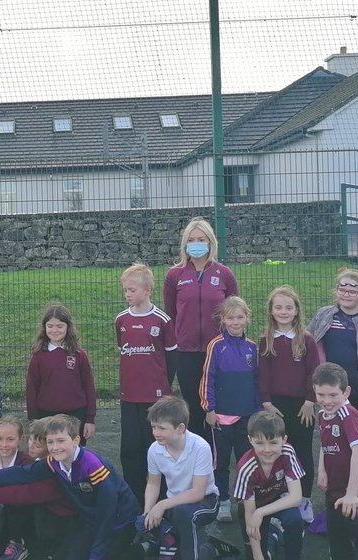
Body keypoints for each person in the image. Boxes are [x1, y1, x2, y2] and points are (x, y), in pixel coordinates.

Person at [0, 414, 142, 560]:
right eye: (50, 442)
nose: (55, 447)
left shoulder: (93, 466)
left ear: (76, 440)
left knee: (105, 554)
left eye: (60, 441)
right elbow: (23, 473)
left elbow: (108, 511)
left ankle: (141, 549)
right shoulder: (53, 462)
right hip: (89, 520)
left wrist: (97, 553)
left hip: (119, 522)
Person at [163, 217, 239, 439]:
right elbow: (171, 314)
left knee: (215, 407)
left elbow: (234, 312)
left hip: (217, 351)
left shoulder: (224, 274)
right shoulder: (174, 275)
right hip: (186, 352)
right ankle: (195, 458)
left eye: (201, 239)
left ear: (211, 242)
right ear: (185, 243)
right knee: (193, 407)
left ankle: (217, 460)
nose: (197, 243)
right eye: (192, 239)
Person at [307, 269, 358, 479]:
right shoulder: (323, 315)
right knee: (332, 439)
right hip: (330, 392)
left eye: (353, 289)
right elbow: (307, 344)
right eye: (342, 288)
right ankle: (337, 482)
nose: (346, 294)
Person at [0, 416, 79, 560]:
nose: (31, 445)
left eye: (38, 444)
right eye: (31, 440)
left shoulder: (45, 466)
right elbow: (15, 474)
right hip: (46, 522)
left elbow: (27, 493)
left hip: (61, 524)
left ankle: (18, 544)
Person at [256, 285, 321, 522]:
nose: (283, 312)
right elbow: (262, 374)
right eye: (278, 307)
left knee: (301, 451)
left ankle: (304, 499)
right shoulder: (265, 341)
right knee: (276, 452)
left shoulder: (307, 340)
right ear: (271, 311)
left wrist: (310, 401)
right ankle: (277, 498)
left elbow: (313, 373)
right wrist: (266, 402)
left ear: (296, 311)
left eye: (288, 307)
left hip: (302, 406)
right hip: (275, 407)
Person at [115, 262, 178, 505]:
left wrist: (162, 385)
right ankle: (133, 498)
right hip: (129, 396)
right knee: (130, 448)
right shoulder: (121, 320)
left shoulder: (162, 320)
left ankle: (161, 498)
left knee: (156, 447)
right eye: (125, 290)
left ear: (148, 289)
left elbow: (171, 358)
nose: (128, 294)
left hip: (156, 398)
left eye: (132, 289)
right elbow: (124, 350)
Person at [199, 296, 258, 523]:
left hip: (246, 416)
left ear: (247, 319)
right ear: (223, 320)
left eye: (240, 317)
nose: (235, 322)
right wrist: (209, 409)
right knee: (220, 462)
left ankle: (245, 499)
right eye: (230, 317)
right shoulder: (216, 346)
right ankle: (222, 500)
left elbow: (256, 381)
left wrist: (258, 410)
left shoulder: (252, 348)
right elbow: (208, 378)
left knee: (246, 460)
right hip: (221, 417)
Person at [139, 396, 220, 560]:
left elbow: (198, 492)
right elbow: (153, 484)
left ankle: (205, 550)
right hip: (175, 503)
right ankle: (209, 549)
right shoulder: (154, 450)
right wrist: (148, 511)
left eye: (162, 428)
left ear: (180, 428)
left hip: (207, 500)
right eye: (153, 427)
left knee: (184, 515)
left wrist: (161, 505)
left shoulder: (200, 447)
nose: (156, 433)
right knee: (147, 524)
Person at [314, 362, 358, 560]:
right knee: (337, 541)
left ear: (346, 392)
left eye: (333, 395)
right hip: (336, 488)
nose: (327, 401)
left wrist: (352, 494)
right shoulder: (322, 415)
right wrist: (322, 470)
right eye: (321, 395)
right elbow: (325, 444)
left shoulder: (348, 414)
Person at [232, 411, 306, 560]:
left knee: (295, 519)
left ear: (284, 440)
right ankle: (274, 536)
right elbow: (250, 513)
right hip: (252, 508)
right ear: (250, 440)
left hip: (276, 500)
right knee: (257, 552)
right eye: (260, 443)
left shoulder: (287, 452)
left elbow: (296, 497)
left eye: (273, 442)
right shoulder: (246, 468)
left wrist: (261, 512)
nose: (267, 449)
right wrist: (258, 556)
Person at [26, 303, 97, 443]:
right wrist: (33, 420)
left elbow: (89, 387)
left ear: (68, 327)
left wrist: (90, 419)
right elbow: (31, 389)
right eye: (50, 326)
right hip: (46, 416)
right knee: (50, 455)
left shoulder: (79, 355)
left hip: (76, 415)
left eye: (60, 326)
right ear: (44, 327)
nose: (55, 330)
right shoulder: (38, 356)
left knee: (74, 456)